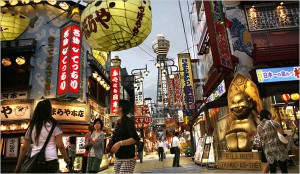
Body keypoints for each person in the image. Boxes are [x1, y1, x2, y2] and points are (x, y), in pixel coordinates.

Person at [14, 99, 70, 173]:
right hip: (50, 160)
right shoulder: (54, 126)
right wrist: (66, 159)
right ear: (49, 111)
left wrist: (18, 166)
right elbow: (61, 146)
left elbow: (24, 148)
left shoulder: (31, 127)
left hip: (35, 161)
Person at [111, 100, 140, 173]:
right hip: (118, 157)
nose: (115, 107)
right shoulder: (119, 122)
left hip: (127, 158)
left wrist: (120, 143)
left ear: (121, 108)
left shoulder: (128, 121)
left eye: (117, 105)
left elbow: (135, 138)